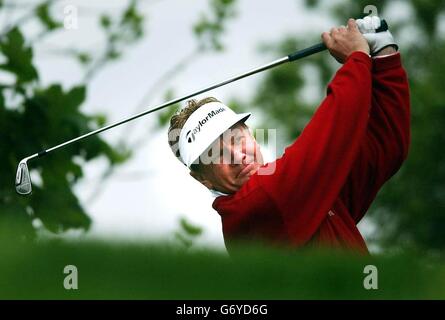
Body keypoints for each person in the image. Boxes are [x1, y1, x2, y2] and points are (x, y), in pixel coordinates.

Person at [167, 17, 410, 254]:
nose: (237, 156)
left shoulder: (301, 195)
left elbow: (386, 145)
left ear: (251, 135)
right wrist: (356, 59)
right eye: (217, 154)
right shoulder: (252, 209)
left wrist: (383, 54)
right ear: (202, 179)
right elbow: (329, 134)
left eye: (238, 139)